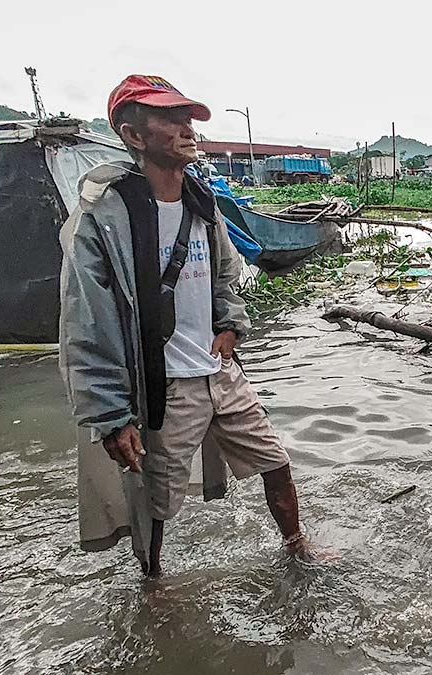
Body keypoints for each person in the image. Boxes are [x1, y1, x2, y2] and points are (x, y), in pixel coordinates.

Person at [59, 74, 316, 576]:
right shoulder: (104, 218)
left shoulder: (201, 200)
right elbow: (86, 321)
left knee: (274, 459)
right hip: (165, 384)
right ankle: (153, 583)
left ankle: (298, 548)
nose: (187, 129)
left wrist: (230, 324)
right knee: (155, 499)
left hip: (219, 369)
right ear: (134, 135)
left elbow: (224, 274)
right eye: (170, 119)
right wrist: (111, 415)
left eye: (187, 118)